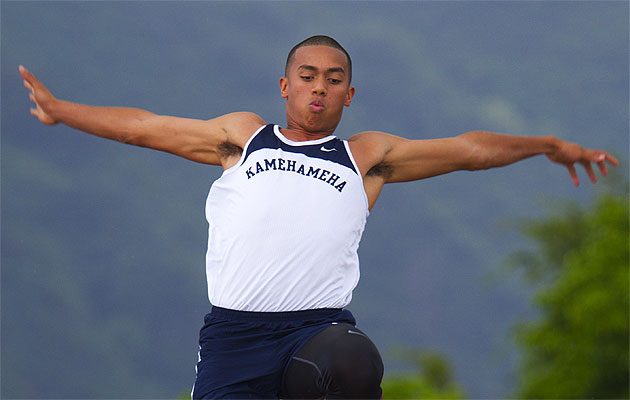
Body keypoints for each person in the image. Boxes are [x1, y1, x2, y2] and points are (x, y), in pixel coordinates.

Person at [20, 35, 618, 399]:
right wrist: (60, 110)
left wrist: (547, 144)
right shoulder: (241, 138)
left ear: (348, 95)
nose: (319, 89)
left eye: (334, 81)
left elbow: (469, 150)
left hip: (317, 331)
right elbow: (143, 128)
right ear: (285, 84)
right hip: (235, 336)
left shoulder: (365, 157)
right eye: (308, 77)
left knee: (354, 365)